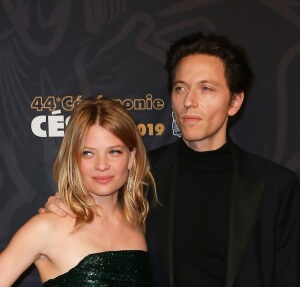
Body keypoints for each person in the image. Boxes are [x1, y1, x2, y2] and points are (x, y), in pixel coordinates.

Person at [41, 32, 300, 287]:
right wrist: (62, 204)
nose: (189, 101)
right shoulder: (142, 173)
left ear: (234, 101)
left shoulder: (276, 185)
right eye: (180, 88)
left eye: (206, 88)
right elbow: (96, 210)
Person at [0, 98, 156, 286]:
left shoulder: (137, 223)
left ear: (131, 158)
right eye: (88, 153)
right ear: (74, 159)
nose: (102, 165)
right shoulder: (47, 227)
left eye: (114, 152)